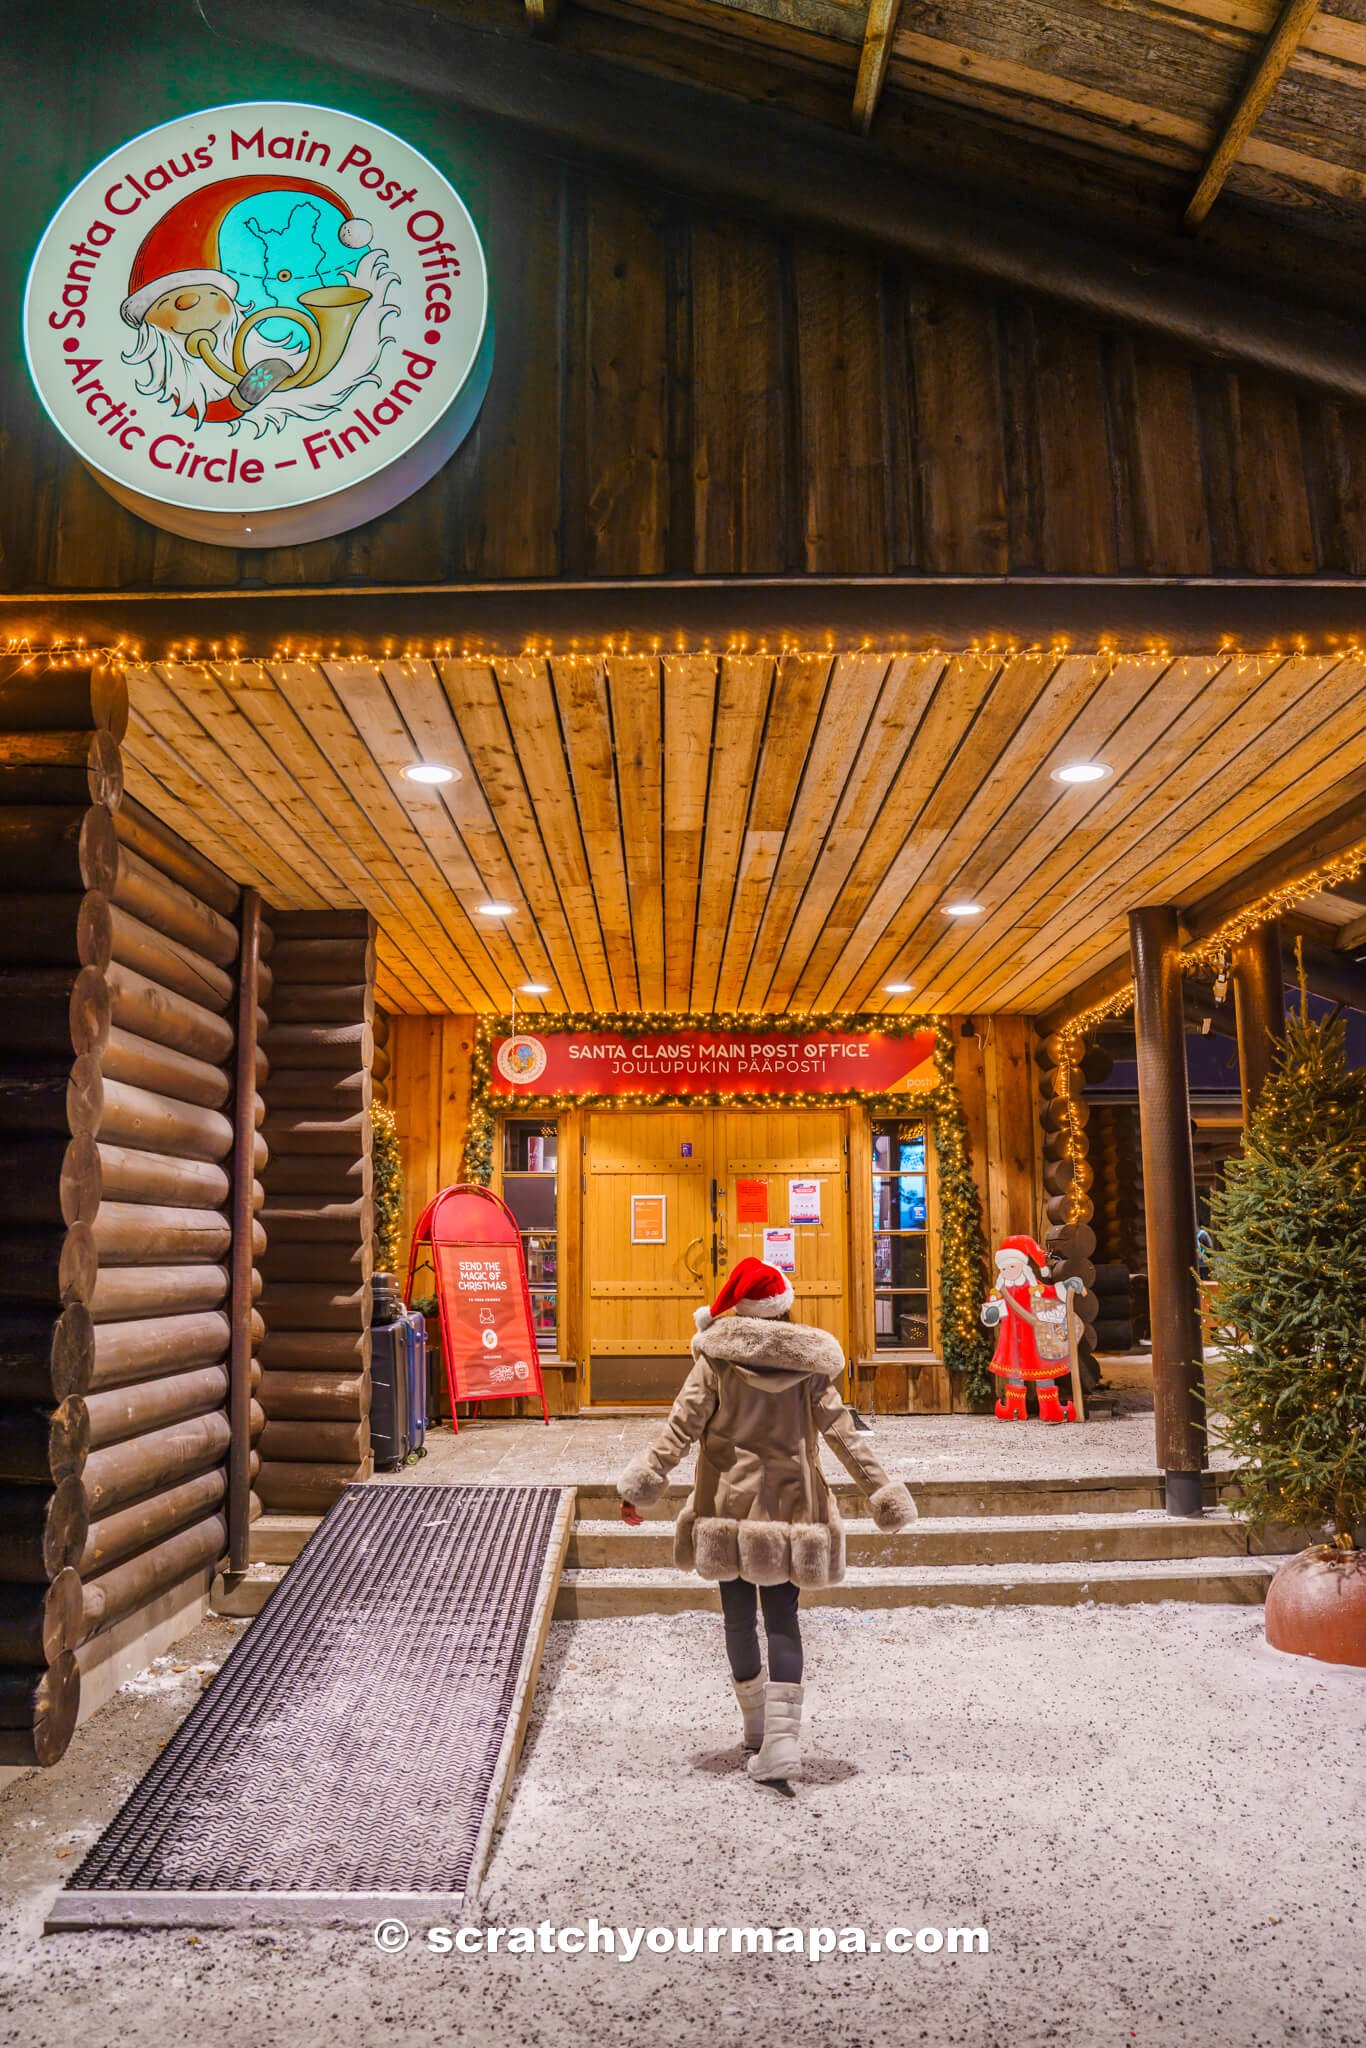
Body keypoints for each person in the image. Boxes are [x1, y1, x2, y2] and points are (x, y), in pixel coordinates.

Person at [617, 1256, 917, 1784]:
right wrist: (881, 1494)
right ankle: (780, 1742)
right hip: (793, 1512)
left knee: (736, 1616)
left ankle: (756, 1729)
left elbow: (679, 1430)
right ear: (784, 1309)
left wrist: (644, 1487)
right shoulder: (809, 1367)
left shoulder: (714, 1362)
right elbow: (843, 1434)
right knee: (783, 1619)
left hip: (725, 1512)